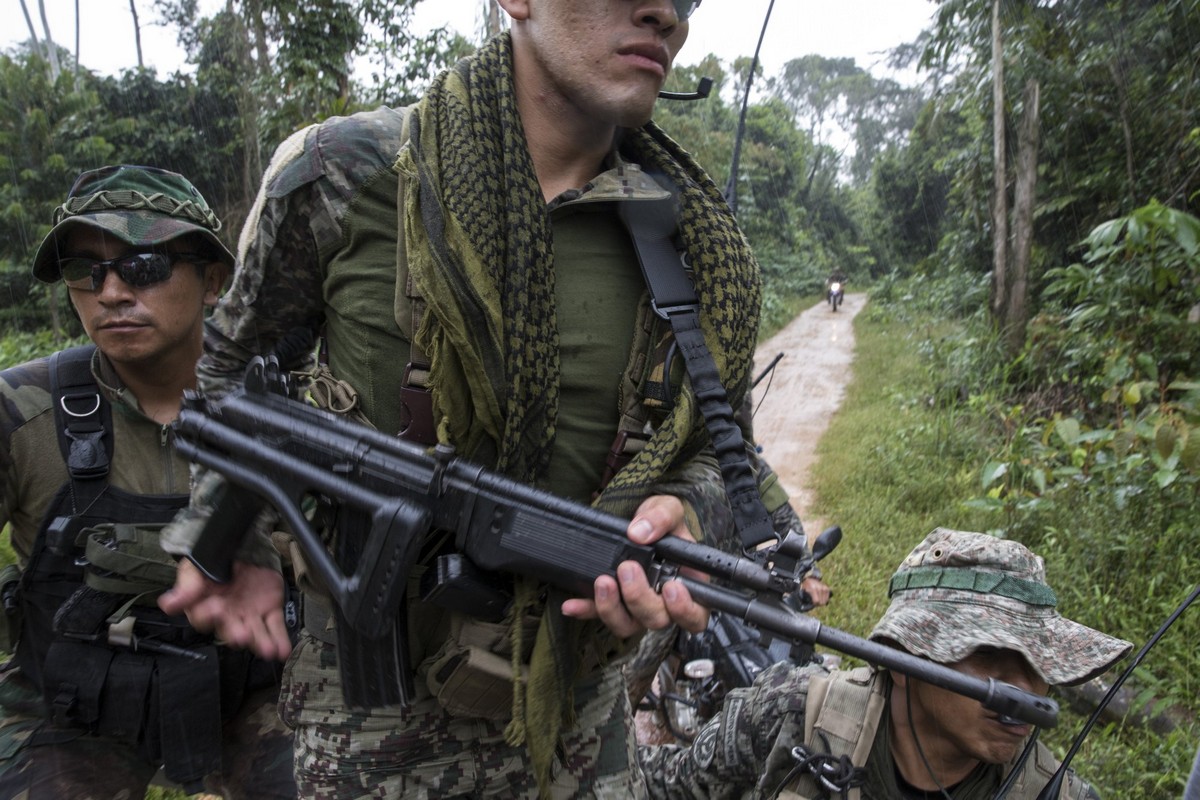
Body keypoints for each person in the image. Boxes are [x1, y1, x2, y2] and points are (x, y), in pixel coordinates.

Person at [157, 1, 808, 797]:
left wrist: (684, 505)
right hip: (371, 720)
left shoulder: (696, 237)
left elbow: (720, 441)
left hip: (581, 714)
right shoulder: (347, 171)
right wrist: (234, 543)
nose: (662, 12)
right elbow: (231, 369)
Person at [0, 165, 297, 798]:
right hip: (70, 705)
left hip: (255, 693)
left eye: (143, 266)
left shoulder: (292, 409)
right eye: (85, 270)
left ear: (212, 279)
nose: (110, 292)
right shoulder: (21, 410)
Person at [639, 528, 1134, 799]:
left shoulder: (1057, 795)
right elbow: (655, 789)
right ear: (900, 660)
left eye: (1039, 662)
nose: (1025, 690)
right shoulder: (792, 714)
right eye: (989, 655)